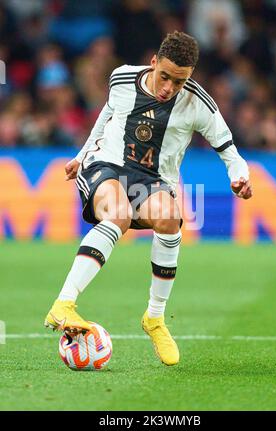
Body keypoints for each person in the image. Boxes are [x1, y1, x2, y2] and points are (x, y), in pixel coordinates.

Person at [44, 31, 252, 366]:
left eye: (179, 81)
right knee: (118, 214)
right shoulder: (122, 77)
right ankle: (64, 303)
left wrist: (238, 175)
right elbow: (107, 114)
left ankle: (154, 318)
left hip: (153, 179)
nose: (169, 87)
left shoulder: (199, 104)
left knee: (170, 219)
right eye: (164, 76)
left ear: (190, 77)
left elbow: (229, 151)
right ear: (153, 63)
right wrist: (82, 154)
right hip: (106, 163)